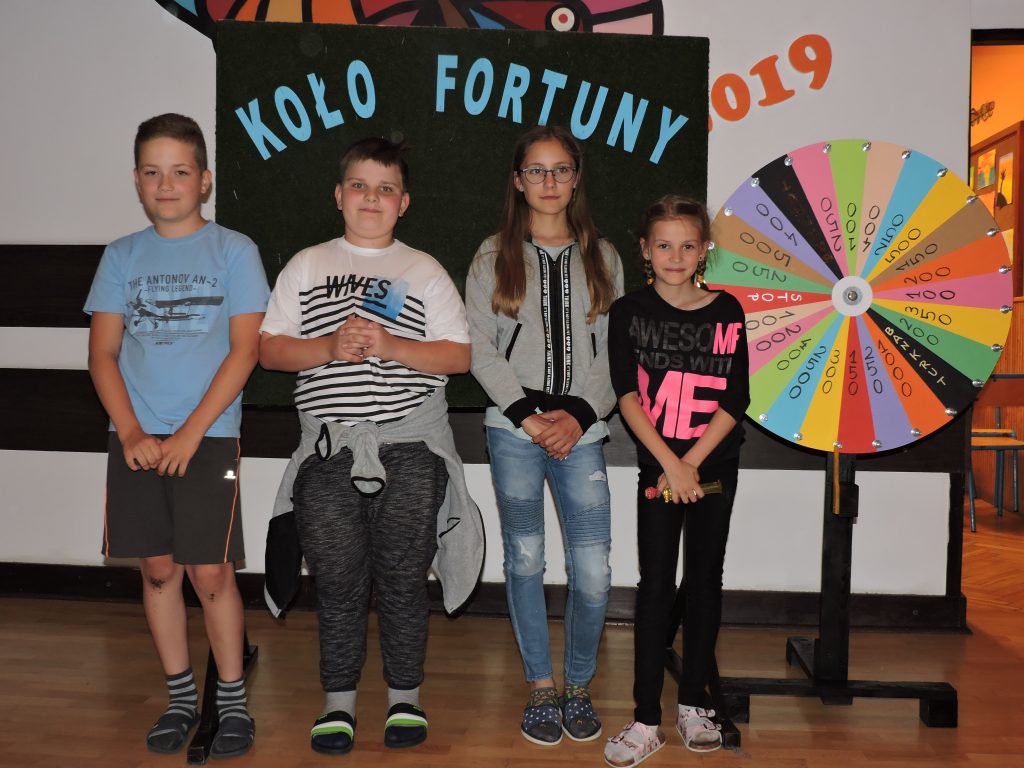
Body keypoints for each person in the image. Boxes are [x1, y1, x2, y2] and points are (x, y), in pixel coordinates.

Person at [259, 136, 482, 756]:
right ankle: (339, 703)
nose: (371, 198)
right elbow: (270, 349)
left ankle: (405, 696)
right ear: (339, 195)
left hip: (409, 448)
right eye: (359, 185)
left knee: (404, 580)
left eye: (386, 189)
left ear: (403, 203)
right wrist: (329, 347)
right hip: (327, 452)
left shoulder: (423, 270)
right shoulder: (307, 265)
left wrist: (389, 345)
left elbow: (458, 357)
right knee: (337, 583)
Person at [85, 113, 269, 758]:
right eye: (153, 172)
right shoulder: (121, 256)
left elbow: (245, 351)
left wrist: (191, 434)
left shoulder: (235, 251)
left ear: (204, 180)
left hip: (208, 437)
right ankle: (180, 697)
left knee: (210, 573)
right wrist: (132, 431)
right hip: (136, 439)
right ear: (137, 180)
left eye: (180, 171)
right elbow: (103, 355)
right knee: (159, 570)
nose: (166, 184)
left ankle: (233, 702)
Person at [466, 125, 623, 746]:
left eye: (561, 169)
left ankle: (578, 685)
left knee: (593, 569)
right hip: (513, 431)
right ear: (518, 180)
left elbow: (617, 349)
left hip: (583, 431)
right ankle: (540, 686)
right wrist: (529, 416)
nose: (549, 181)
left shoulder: (604, 256)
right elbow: (479, 345)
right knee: (526, 557)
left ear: (576, 179)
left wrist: (579, 415)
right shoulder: (491, 255)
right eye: (537, 170)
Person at [603, 195, 749, 766]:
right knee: (656, 584)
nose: (675, 255)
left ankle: (693, 705)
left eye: (688, 245)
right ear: (645, 249)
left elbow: (736, 398)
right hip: (659, 466)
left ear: (704, 249)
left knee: (705, 580)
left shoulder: (727, 310)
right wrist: (671, 464)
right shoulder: (628, 311)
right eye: (664, 245)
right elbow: (627, 395)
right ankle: (646, 719)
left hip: (715, 465)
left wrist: (694, 464)